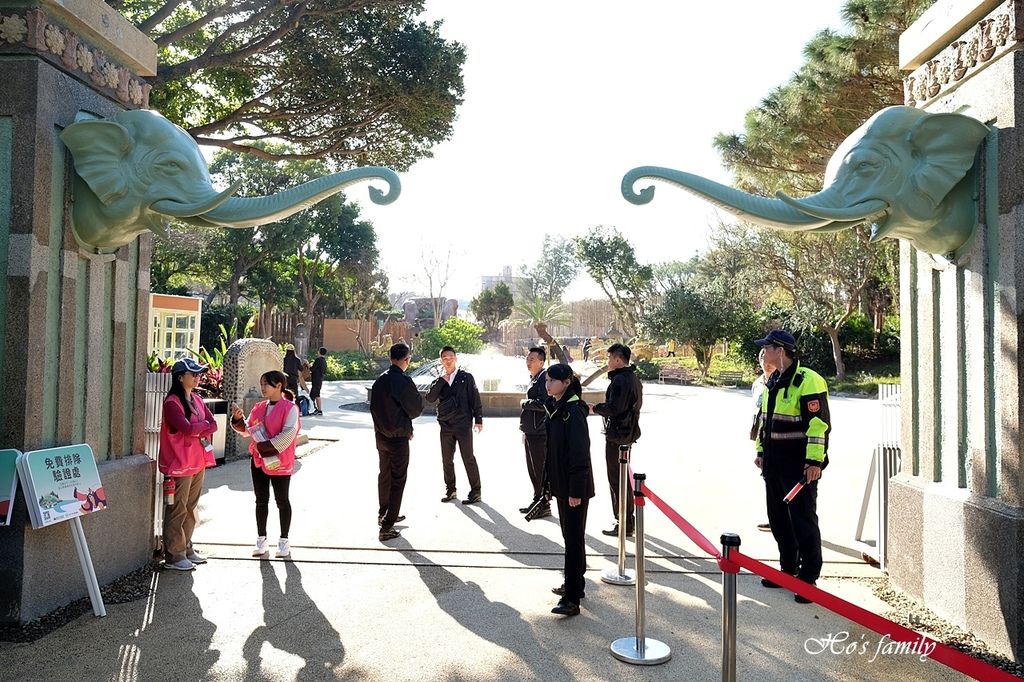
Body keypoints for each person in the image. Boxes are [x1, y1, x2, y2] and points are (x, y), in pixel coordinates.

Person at [753, 329, 831, 604]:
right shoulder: (772, 380)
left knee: (803, 521)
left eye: (767, 347)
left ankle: (808, 578)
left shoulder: (808, 380)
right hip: (773, 464)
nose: (764, 352)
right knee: (778, 520)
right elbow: (764, 420)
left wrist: (814, 462)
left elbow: (818, 425)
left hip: (798, 468)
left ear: (780, 350)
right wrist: (761, 452)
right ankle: (787, 569)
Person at [229, 370, 301, 559]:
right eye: (261, 384)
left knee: (282, 501)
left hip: (280, 462)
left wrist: (264, 446)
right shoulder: (259, 407)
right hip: (259, 461)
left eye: (266, 384)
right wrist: (237, 419)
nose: (263, 388)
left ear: (279, 386)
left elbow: (288, 434)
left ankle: (284, 540)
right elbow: (247, 430)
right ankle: (261, 539)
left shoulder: (290, 408)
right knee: (261, 501)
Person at [543, 363, 595, 617]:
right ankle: (576, 584)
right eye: (547, 380)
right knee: (571, 538)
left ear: (566, 383)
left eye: (552, 380)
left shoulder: (572, 411)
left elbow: (579, 454)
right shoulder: (557, 407)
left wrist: (575, 491)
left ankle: (571, 598)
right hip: (563, 485)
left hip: (575, 488)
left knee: (573, 541)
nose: (548, 384)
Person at [159, 358, 218, 571]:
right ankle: (174, 555)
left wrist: (198, 427)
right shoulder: (172, 403)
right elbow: (187, 429)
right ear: (180, 377)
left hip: (197, 462)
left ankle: (187, 547)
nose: (197, 377)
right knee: (178, 508)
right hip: (179, 464)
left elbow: (214, 424)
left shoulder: (197, 399)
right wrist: (201, 427)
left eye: (198, 373)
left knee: (191, 508)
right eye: (193, 373)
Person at [370, 343, 424, 541]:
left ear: (390, 357)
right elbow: (416, 408)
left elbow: (374, 409)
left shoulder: (380, 381)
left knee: (384, 475)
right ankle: (387, 524)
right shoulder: (403, 381)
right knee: (398, 479)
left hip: (381, 436)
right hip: (398, 437)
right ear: (406, 360)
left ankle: (384, 512)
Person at [590, 343, 643, 537]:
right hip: (627, 433)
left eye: (610, 358)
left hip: (618, 434)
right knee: (622, 478)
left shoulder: (621, 380)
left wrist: (595, 408)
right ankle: (627, 520)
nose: (608, 362)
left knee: (617, 479)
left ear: (618, 359)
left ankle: (624, 522)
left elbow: (615, 407)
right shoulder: (633, 378)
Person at [425, 346, 484, 505]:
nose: (448, 359)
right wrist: (442, 381)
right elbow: (430, 398)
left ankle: (476, 491)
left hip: (463, 424)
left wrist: (478, 419)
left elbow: (475, 399)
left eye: (450, 356)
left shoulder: (466, 377)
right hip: (446, 425)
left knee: (468, 458)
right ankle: (451, 489)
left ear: (456, 358)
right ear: (441, 360)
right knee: (447, 459)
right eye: (444, 357)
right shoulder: (440, 380)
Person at [518, 346, 550, 517]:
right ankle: (537, 499)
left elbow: (545, 403)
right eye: (527, 359)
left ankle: (543, 503)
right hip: (531, 430)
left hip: (539, 432)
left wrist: (525, 403)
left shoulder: (545, 378)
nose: (528, 362)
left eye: (532, 359)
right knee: (533, 468)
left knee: (539, 468)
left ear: (541, 362)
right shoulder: (535, 378)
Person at [751, 347, 777, 532]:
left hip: (780, 439)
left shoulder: (781, 380)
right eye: (761, 358)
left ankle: (784, 520)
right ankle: (773, 518)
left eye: (766, 356)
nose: (764, 361)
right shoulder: (758, 383)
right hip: (763, 436)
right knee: (769, 482)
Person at [309, 347, 328, 416]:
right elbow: (325, 371)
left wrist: (308, 364)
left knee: (316, 395)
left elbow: (312, 369)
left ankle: (319, 410)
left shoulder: (318, 360)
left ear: (319, 352)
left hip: (316, 380)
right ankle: (317, 409)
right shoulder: (324, 361)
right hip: (320, 379)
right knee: (314, 394)